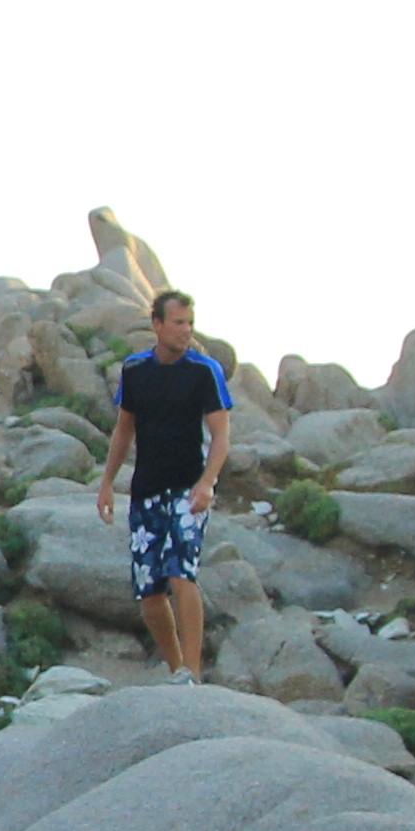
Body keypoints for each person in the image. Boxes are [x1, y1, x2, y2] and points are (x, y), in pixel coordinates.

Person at [97, 289, 238, 679]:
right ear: (157, 324)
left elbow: (222, 436)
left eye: (190, 323)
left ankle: (192, 671)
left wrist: (208, 483)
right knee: (150, 590)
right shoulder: (135, 370)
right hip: (146, 490)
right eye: (178, 323)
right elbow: (124, 430)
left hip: (188, 488)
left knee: (181, 573)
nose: (186, 331)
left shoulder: (203, 370)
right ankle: (176, 667)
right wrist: (107, 483)